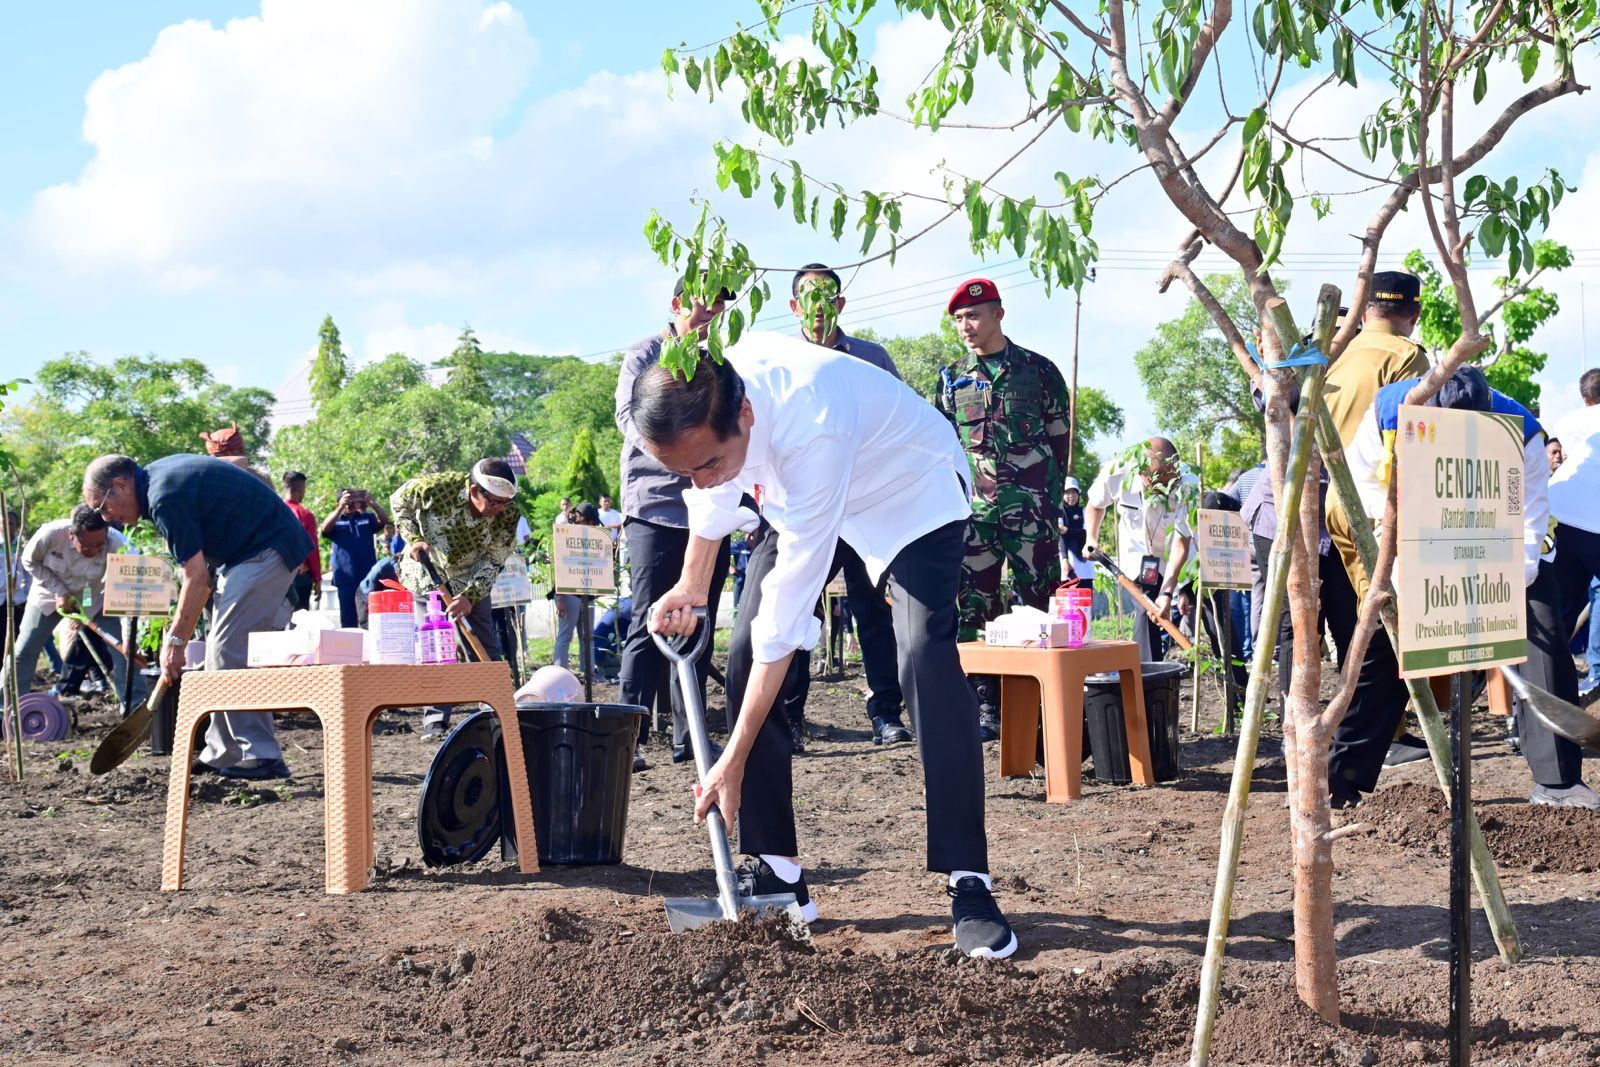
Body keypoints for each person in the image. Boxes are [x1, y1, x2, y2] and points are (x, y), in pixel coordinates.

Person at [638, 331, 1019, 958]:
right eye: (686, 469)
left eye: (709, 462)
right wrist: (691, 582)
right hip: (805, 501)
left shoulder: (811, 423)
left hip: (907, 489)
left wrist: (730, 757)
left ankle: (968, 879)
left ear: (746, 415)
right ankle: (781, 874)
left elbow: (787, 618)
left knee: (924, 652)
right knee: (740, 655)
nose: (703, 478)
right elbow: (710, 490)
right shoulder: (706, 391)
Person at [1346, 365, 1595, 807]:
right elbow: (1358, 479)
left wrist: (1506, 588)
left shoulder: (1522, 431)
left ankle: (1559, 782)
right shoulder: (1387, 410)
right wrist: (1401, 539)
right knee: (1385, 649)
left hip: (1499, 537)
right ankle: (1341, 779)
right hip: (1410, 532)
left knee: (1546, 640)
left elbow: (1530, 515)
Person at [82, 453, 311, 778]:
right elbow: (199, 579)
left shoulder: (163, 498)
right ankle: (223, 751)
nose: (106, 518)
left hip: (267, 549)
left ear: (121, 485)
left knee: (227, 650)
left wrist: (174, 643)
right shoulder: (158, 484)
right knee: (221, 652)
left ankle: (261, 755)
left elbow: (196, 577)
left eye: (103, 507)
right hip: (245, 555)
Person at [780, 262, 910, 745]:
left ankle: (886, 714)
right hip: (805, 508)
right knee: (796, 610)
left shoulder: (871, 358)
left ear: (839, 303)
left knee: (873, 610)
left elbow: (900, 421)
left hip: (864, 506)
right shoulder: (781, 359)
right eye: (807, 298)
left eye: (827, 297)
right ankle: (788, 717)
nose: (818, 308)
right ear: (794, 307)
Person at [939, 277, 1071, 741]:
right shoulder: (951, 377)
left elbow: (1060, 441)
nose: (965, 326)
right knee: (976, 609)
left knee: (1039, 606)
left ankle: (1039, 705)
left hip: (1032, 516)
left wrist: (1047, 502)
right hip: (974, 517)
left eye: (973, 316)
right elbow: (942, 445)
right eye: (958, 319)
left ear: (998, 314)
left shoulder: (1038, 371)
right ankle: (985, 707)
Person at [614, 275, 734, 771]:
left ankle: (692, 739)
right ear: (677, 304)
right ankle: (624, 735)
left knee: (698, 624)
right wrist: (685, 456)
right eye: (703, 307)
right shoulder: (645, 354)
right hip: (653, 510)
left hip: (709, 509)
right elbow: (628, 417)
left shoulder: (721, 361)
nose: (710, 317)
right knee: (648, 622)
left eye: (719, 309)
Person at [391, 460, 521, 739]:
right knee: (437, 648)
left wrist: (470, 597)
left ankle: (496, 711)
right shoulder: (437, 489)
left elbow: (496, 558)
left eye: (505, 503)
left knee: (485, 642)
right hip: (428, 572)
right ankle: (435, 719)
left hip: (472, 578)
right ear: (475, 491)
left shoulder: (509, 515)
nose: (500, 510)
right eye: (495, 503)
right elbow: (398, 501)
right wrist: (413, 538)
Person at [1, 506, 130, 708]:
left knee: (124, 651)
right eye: (88, 546)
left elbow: (131, 586)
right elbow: (29, 561)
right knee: (24, 651)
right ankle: (9, 708)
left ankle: (133, 705)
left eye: (100, 545)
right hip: (48, 594)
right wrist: (59, 591)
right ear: (72, 535)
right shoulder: (50, 534)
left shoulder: (118, 544)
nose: (95, 551)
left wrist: (129, 632)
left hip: (92, 597)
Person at [1084, 438, 1197, 661]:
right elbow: (1095, 505)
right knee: (1146, 611)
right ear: (1141, 474)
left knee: (1155, 610)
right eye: (1158, 484)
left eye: (1169, 484)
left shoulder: (1188, 483)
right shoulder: (1117, 471)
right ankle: (1146, 676)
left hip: (1169, 556)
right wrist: (1091, 537)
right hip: (1134, 555)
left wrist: (1167, 592)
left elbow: (1181, 541)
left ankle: (1148, 675)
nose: (1164, 491)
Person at [1549, 369, 1600, 697]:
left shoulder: (1571, 422)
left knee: (1559, 607)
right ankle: (1596, 673)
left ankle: (1544, 687)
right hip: (1594, 520)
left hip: (1557, 514)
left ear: (1587, 399)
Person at [321, 488, 388, 628]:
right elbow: (324, 529)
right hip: (345, 577)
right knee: (348, 619)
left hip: (367, 576)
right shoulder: (336, 520)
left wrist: (373, 504)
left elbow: (384, 520)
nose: (350, 504)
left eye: (352, 500)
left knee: (371, 617)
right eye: (347, 500)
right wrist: (340, 507)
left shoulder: (366, 518)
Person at [552, 502, 602, 672]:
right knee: (565, 635)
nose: (593, 526)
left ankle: (589, 672)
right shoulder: (565, 534)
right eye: (591, 522)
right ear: (583, 520)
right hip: (569, 593)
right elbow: (559, 566)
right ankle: (559, 673)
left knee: (588, 637)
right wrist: (560, 598)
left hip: (588, 592)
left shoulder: (593, 536)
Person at [280, 471, 322, 612]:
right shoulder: (304, 515)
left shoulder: (273, 510)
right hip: (300, 576)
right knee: (299, 618)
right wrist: (317, 578)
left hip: (273, 573)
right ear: (300, 490)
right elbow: (311, 549)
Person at [1057, 477, 1087, 572]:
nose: (1071, 496)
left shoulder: (1085, 511)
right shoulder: (1059, 512)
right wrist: (1065, 558)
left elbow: (1087, 533)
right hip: (1066, 563)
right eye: (1067, 492)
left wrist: (1068, 530)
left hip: (1085, 564)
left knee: (1087, 586)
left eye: (1074, 492)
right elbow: (1061, 535)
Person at [729, 535, 752, 609]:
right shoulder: (740, 545)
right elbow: (722, 552)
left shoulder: (759, 545)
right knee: (737, 608)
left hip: (752, 583)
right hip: (740, 581)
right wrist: (729, 567)